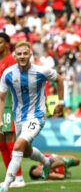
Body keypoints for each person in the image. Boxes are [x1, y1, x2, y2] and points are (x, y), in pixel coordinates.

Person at [0, 42, 65, 192]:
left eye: (25, 53)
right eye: (19, 54)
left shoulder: (41, 71)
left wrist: (61, 102)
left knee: (17, 146)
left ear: (30, 55)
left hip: (37, 116)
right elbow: (2, 98)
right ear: (15, 56)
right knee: (26, 151)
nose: (22, 56)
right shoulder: (8, 74)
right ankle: (47, 162)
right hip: (19, 118)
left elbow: (60, 79)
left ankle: (6, 185)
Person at [0, 33, 25, 188]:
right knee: (2, 143)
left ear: (7, 44)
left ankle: (19, 177)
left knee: (10, 139)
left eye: (1, 42)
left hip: (9, 105)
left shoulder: (10, 61)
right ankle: (10, 176)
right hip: (1, 105)